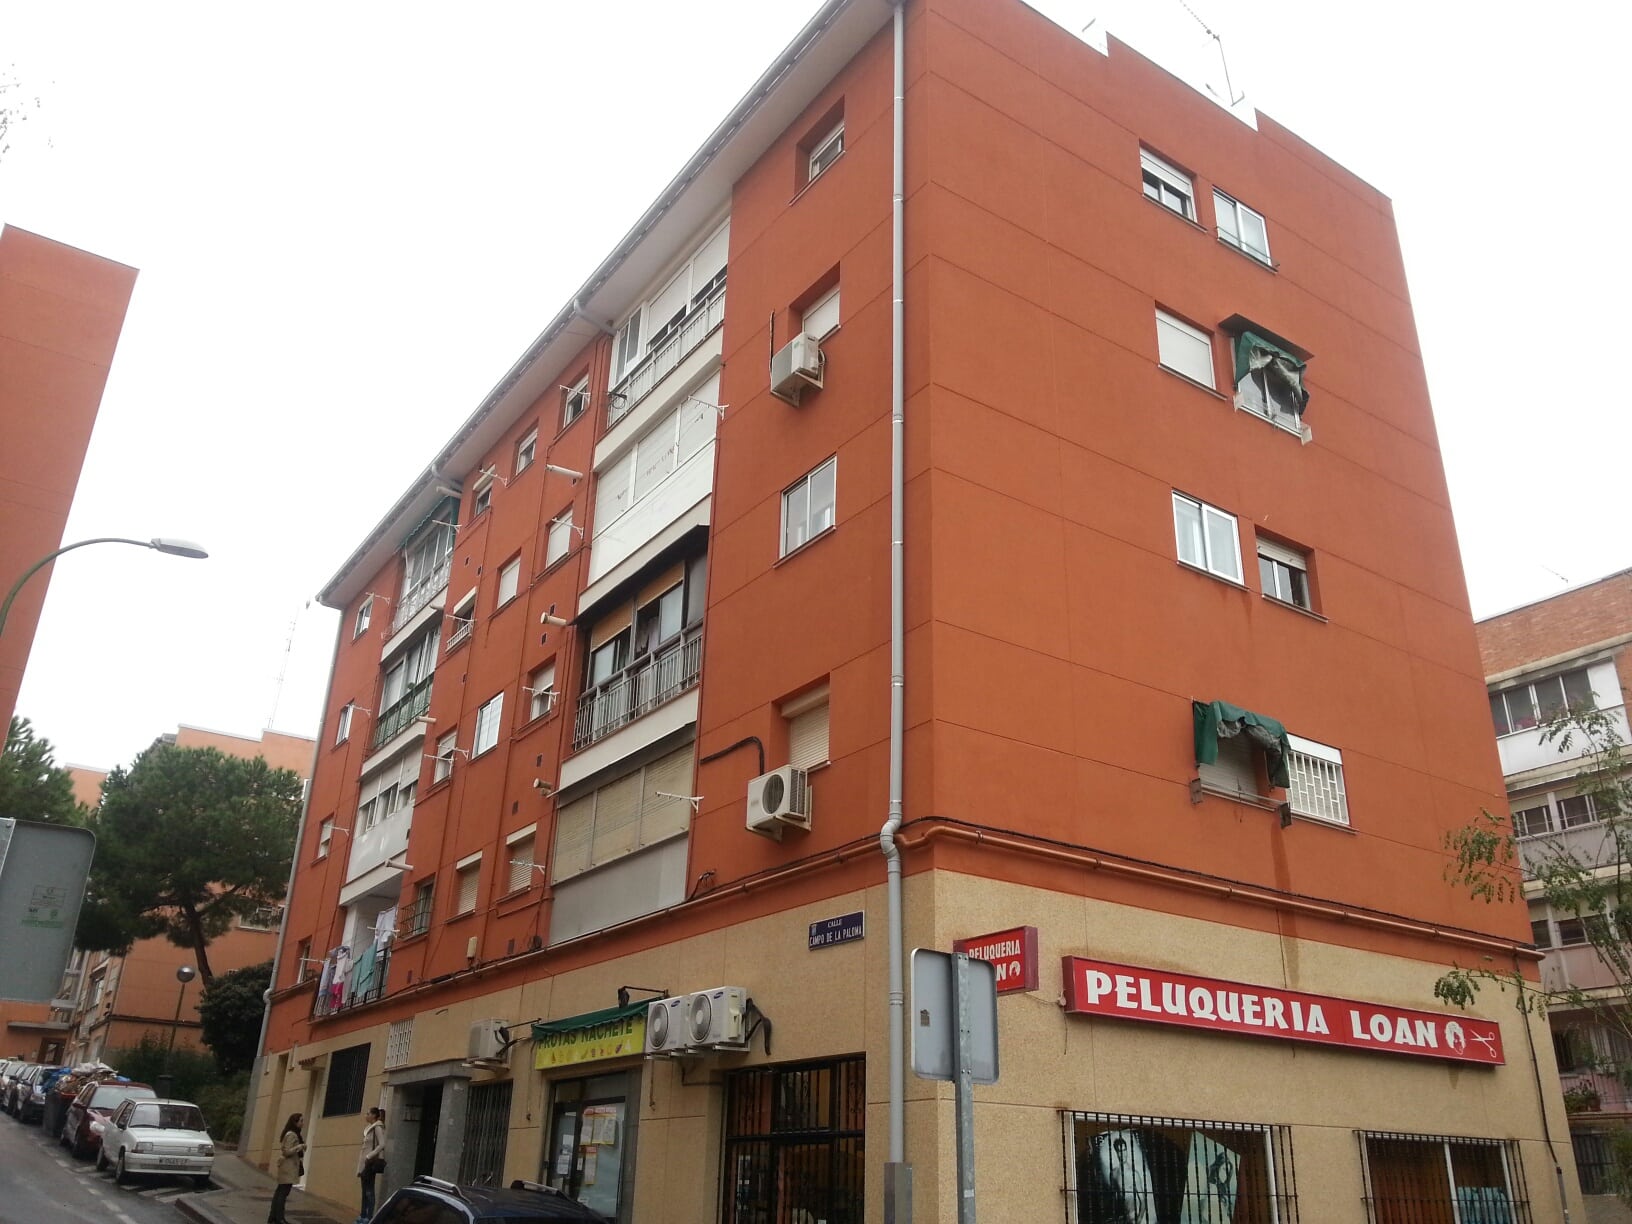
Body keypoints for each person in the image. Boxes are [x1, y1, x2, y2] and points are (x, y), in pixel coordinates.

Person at [271, 1113, 305, 1224]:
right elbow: (286, 1151)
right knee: (283, 1193)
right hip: (288, 1167)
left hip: (286, 1167)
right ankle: (279, 1218)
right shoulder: (292, 1135)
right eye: (301, 1121)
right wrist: (299, 1146)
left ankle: (273, 1217)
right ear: (295, 1122)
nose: (302, 1123)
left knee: (280, 1192)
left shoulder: (293, 1133)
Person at [356, 1107, 386, 1223]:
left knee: (369, 1191)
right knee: (364, 1191)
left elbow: (382, 1144)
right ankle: (362, 1215)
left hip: (370, 1162)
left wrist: (369, 1155)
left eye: (368, 1113)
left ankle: (369, 1217)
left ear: (374, 1115)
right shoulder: (368, 1128)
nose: (366, 1115)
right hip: (364, 1163)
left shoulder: (377, 1127)